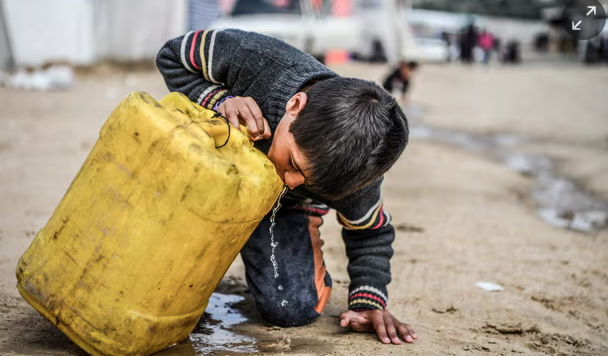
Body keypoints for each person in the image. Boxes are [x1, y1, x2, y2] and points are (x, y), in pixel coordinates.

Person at [156, 29, 416, 345]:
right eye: (293, 163)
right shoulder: (257, 59)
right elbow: (172, 54)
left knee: (291, 308)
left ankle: (297, 215)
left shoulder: (358, 182)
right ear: (294, 105)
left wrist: (368, 301)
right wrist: (219, 101)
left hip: (280, 206)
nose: (290, 179)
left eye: (309, 181)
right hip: (202, 169)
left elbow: (370, 232)